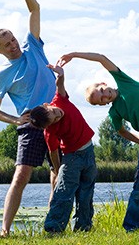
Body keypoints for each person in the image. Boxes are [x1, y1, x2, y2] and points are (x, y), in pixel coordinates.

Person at [57, 52, 139, 232]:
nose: (104, 96)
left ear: (103, 84)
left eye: (101, 91)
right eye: (100, 99)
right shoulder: (114, 113)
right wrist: (138, 140)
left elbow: (101, 58)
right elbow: (121, 130)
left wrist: (74, 55)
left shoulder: (123, 81)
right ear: (102, 105)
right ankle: (132, 227)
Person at [0, 0, 57, 237]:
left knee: (58, 172)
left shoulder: (34, 48)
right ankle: (5, 230)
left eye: (13, 40)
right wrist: (16, 119)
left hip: (56, 117)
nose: (13, 46)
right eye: (7, 45)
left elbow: (34, 8)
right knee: (21, 175)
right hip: (30, 125)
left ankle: (53, 225)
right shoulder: (2, 75)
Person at [28, 64, 97, 233]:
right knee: (64, 193)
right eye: (53, 120)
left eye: (53, 113)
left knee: (86, 192)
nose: (57, 116)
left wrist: (61, 74)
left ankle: (83, 227)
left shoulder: (60, 100)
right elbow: (53, 152)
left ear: (47, 105)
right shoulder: (50, 131)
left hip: (89, 152)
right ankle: (53, 228)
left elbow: (60, 84)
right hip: (72, 158)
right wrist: (59, 172)